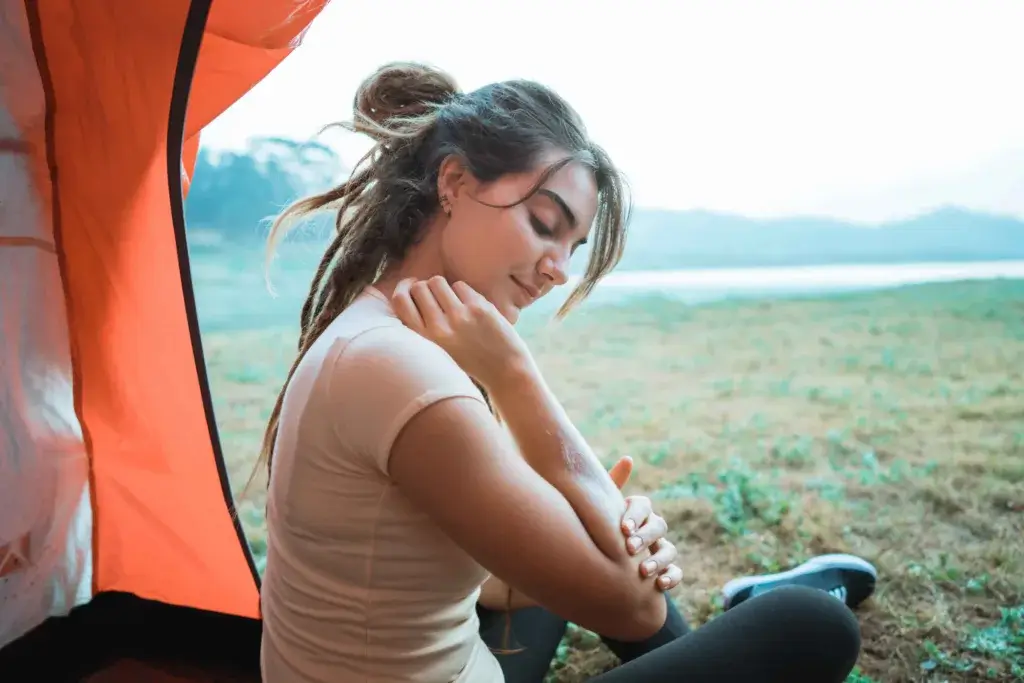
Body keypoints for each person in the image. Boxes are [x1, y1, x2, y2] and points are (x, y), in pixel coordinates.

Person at [251, 61, 864, 683]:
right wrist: (515, 374)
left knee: (577, 542)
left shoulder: (378, 331)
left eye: (572, 249)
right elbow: (636, 608)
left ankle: (723, 635)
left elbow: (487, 582)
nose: (556, 270)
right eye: (545, 225)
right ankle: (745, 624)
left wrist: (597, 525)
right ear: (455, 183)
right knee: (810, 624)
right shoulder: (397, 369)